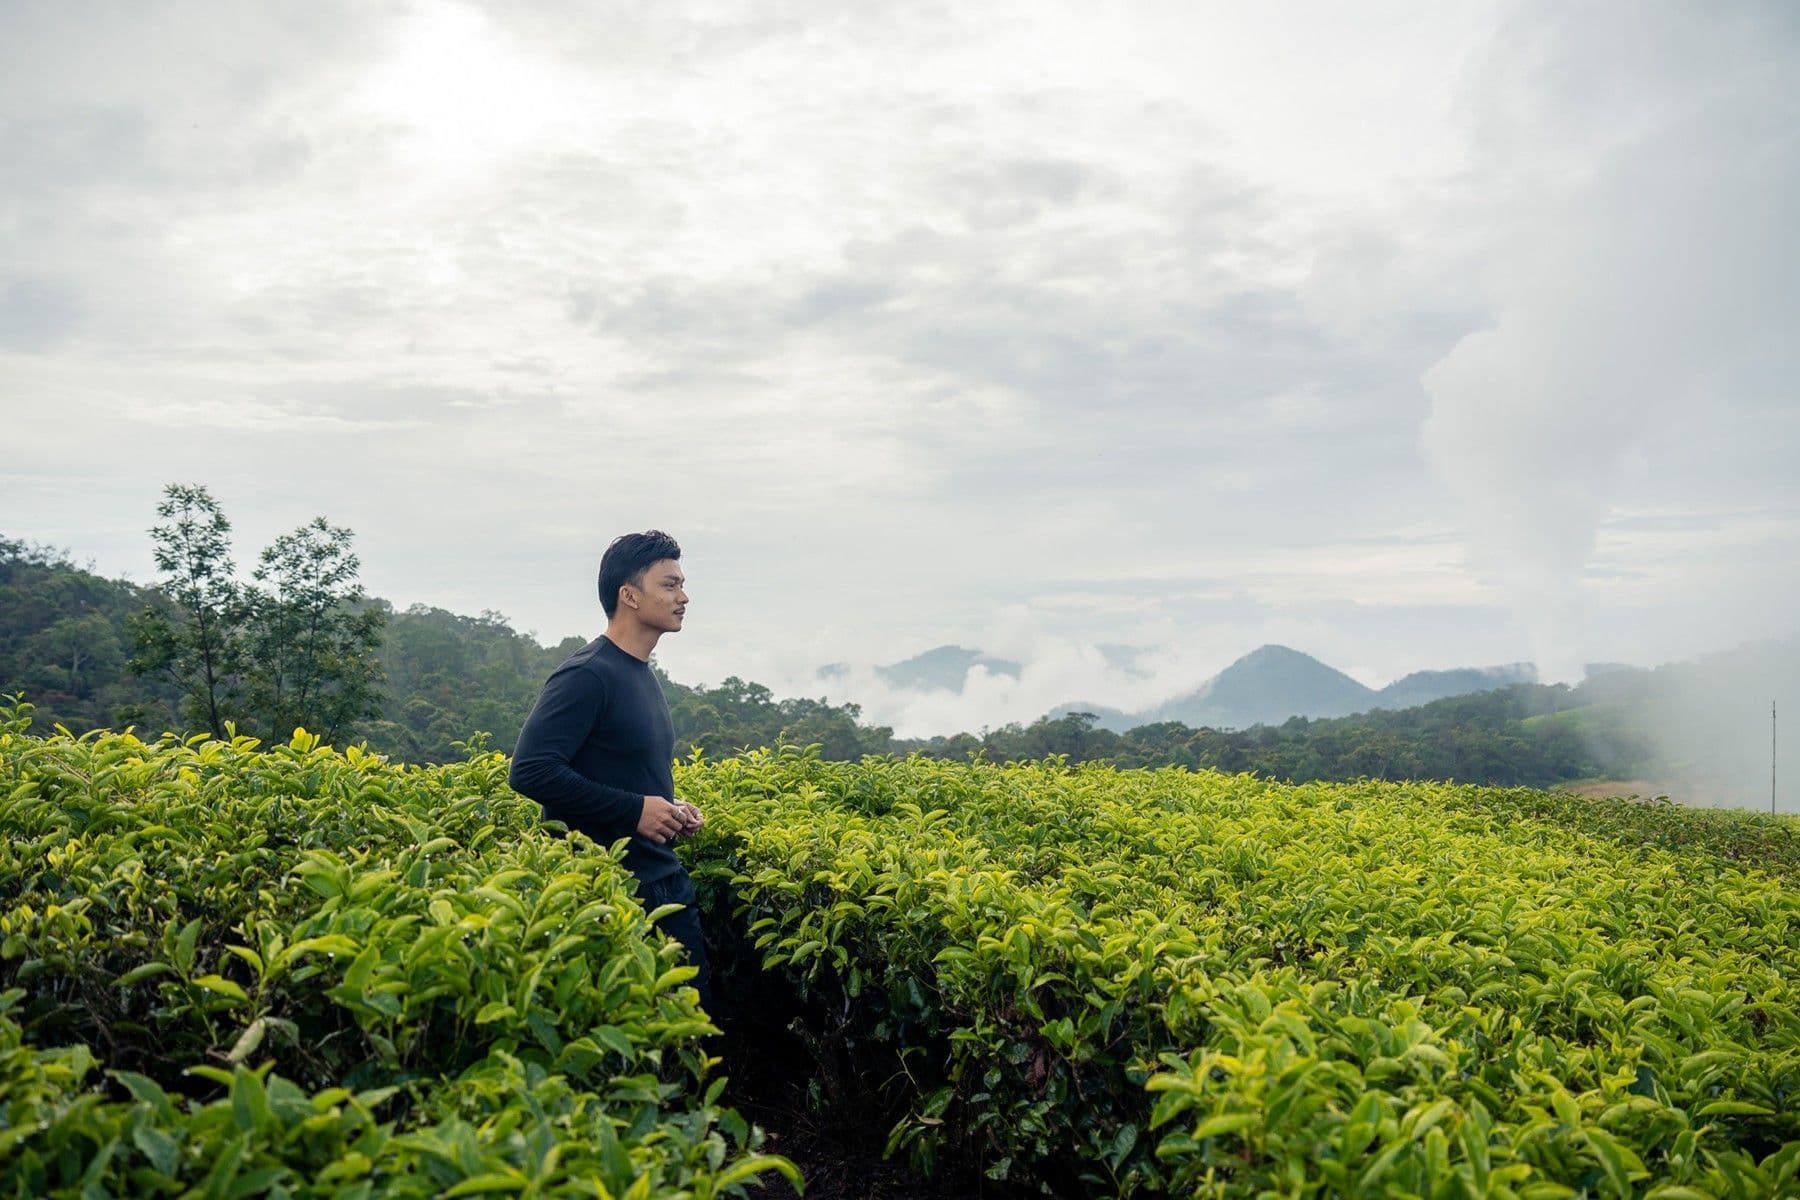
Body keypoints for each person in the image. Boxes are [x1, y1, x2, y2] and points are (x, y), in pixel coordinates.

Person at [509, 530, 711, 1012]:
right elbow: (531, 770)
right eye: (670, 585)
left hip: (661, 881)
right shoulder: (587, 674)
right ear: (630, 595)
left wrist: (669, 810)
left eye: (682, 584)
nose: (683, 597)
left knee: (691, 1035)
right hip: (614, 892)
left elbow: (628, 776)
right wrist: (634, 810)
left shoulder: (641, 673)